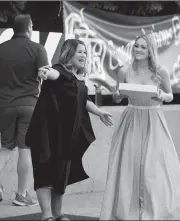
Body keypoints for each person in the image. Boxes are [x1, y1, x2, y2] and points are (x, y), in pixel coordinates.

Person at [100, 35, 180, 220]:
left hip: (154, 118)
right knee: (130, 165)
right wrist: (118, 96)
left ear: (150, 50)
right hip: (132, 118)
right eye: (136, 46)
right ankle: (128, 212)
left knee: (155, 167)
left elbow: (170, 96)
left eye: (143, 47)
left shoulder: (161, 71)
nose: (139, 50)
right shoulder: (124, 70)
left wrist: (161, 95)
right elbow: (117, 96)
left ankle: (156, 211)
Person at [25, 39, 113, 221]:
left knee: (61, 172)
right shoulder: (59, 70)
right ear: (69, 53)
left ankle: (57, 214)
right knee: (44, 170)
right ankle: (46, 215)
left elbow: (84, 100)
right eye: (79, 52)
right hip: (46, 132)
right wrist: (45, 72)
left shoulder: (77, 77)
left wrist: (99, 112)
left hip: (66, 133)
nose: (84, 55)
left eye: (85, 52)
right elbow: (52, 73)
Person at [0, 14, 49, 206]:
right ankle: (21, 195)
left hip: (6, 106)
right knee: (25, 149)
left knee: (6, 146)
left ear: (14, 28)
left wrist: (5, 76)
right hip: (29, 105)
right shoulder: (38, 49)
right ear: (29, 27)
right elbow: (44, 74)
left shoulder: (0, 49)